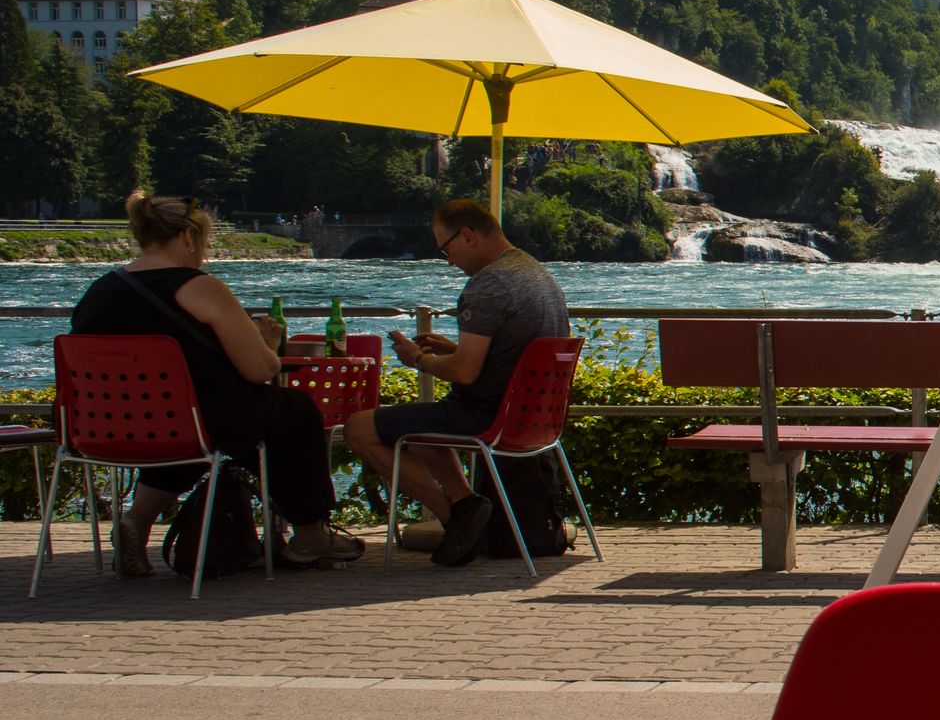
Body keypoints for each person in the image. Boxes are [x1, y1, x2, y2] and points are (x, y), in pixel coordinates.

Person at [67, 192, 363, 574]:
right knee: (292, 410)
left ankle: (136, 522)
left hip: (103, 427)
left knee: (186, 422)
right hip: (192, 421)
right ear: (188, 238)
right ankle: (309, 535)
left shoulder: (98, 292)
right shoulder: (198, 287)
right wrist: (268, 343)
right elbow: (259, 370)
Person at [343, 197, 570, 568]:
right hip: (534, 421)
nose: (448, 261)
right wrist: (450, 349)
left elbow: (465, 373)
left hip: (486, 416)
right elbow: (515, 352)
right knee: (424, 422)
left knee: (358, 429)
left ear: (467, 236)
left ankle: (455, 514)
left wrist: (419, 359)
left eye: (446, 250)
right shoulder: (539, 276)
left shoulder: (489, 284)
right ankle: (466, 504)